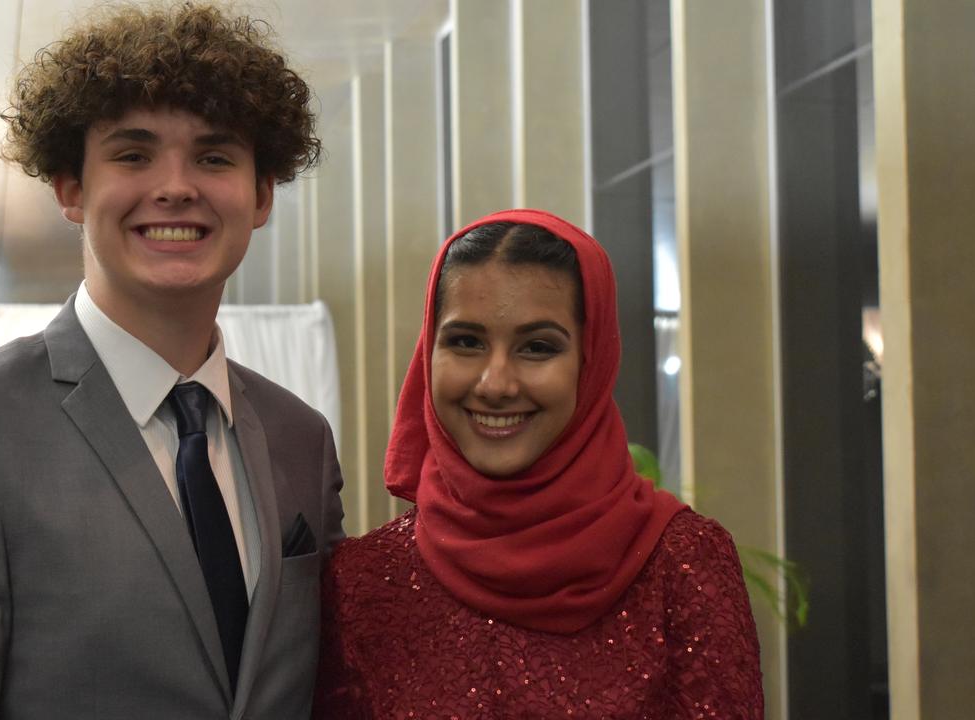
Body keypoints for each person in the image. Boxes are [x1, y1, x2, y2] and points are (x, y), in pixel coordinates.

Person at [0, 4, 344, 718]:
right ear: (70, 188)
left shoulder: (303, 438)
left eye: (213, 155)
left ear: (261, 194)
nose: (176, 186)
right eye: (134, 154)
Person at [314, 209, 763, 718]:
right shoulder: (363, 583)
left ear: (590, 363)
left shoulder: (684, 566)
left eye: (537, 347)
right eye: (466, 342)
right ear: (427, 355)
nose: (496, 384)